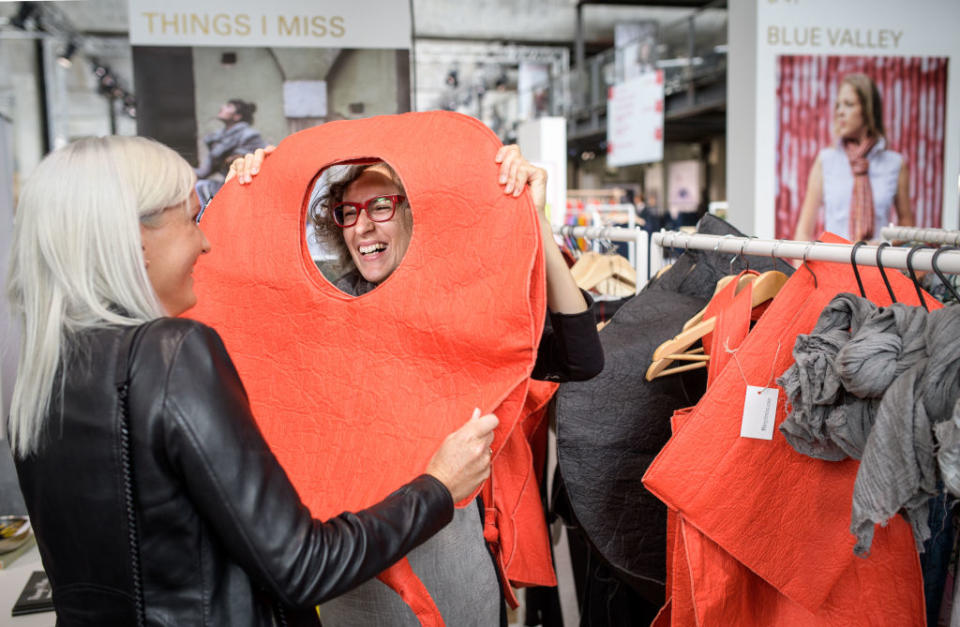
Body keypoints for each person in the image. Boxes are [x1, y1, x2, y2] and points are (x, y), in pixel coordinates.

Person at [6, 136, 499, 626]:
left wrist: (260, 199)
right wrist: (439, 485)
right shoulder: (172, 354)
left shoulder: (42, 375)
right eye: (193, 219)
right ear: (137, 244)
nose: (205, 241)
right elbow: (303, 568)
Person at [230, 143, 604, 625]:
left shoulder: (467, 310)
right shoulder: (321, 312)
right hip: (353, 564)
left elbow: (581, 358)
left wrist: (537, 224)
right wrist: (253, 193)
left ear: (418, 214)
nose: (362, 225)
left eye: (380, 206)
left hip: (453, 557)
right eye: (348, 212)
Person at [794, 73, 914, 242]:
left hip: (877, 264)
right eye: (838, 105)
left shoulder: (894, 164)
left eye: (849, 104)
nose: (840, 112)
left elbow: (906, 226)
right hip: (833, 263)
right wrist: (800, 268)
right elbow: (803, 232)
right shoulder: (826, 161)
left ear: (868, 110)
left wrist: (883, 246)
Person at [195, 99, 267, 203]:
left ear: (237, 116)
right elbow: (204, 172)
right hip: (229, 184)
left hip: (249, 186)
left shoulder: (249, 136)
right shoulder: (217, 139)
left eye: (228, 106)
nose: (222, 107)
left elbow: (243, 163)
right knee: (200, 186)